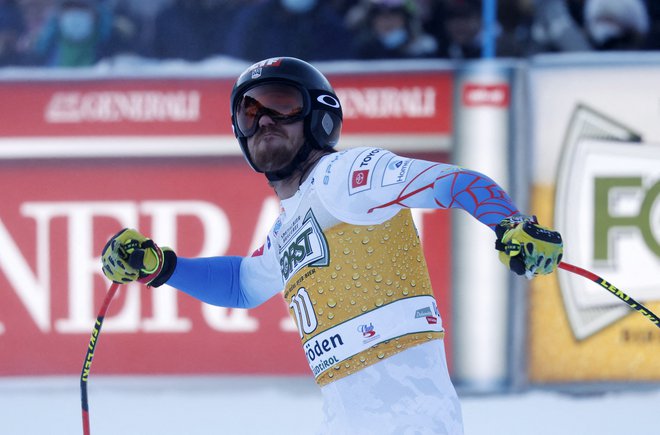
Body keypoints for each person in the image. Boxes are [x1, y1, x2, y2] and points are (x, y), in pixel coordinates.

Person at [101, 57, 563, 435]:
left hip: (411, 423)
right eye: (249, 112)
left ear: (319, 116)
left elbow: (455, 182)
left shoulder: (346, 175)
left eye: (281, 105)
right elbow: (242, 285)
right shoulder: (288, 228)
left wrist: (510, 223)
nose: (263, 120)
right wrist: (159, 266)